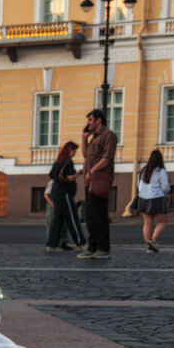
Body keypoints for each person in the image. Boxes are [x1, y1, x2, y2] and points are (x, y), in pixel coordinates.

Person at [78, 109, 118, 260]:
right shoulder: (93, 138)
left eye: (90, 120)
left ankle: (103, 248)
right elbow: (85, 155)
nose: (88, 123)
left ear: (98, 120)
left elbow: (107, 158)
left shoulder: (109, 136)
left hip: (100, 179)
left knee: (100, 215)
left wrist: (92, 171)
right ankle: (92, 246)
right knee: (90, 215)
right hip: (90, 180)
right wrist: (83, 138)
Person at [44, 140, 86, 252]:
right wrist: (79, 173)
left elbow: (52, 175)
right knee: (72, 219)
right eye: (74, 151)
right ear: (69, 150)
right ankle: (81, 243)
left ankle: (51, 245)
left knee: (57, 220)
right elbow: (70, 177)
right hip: (65, 194)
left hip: (56, 194)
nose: (74, 153)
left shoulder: (57, 162)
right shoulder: (68, 162)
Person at [136, 149, 170, 253]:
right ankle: (153, 241)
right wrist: (166, 193)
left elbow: (138, 185)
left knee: (147, 223)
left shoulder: (143, 170)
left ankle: (149, 245)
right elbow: (165, 187)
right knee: (162, 222)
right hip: (157, 197)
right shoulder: (160, 171)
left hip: (143, 198)